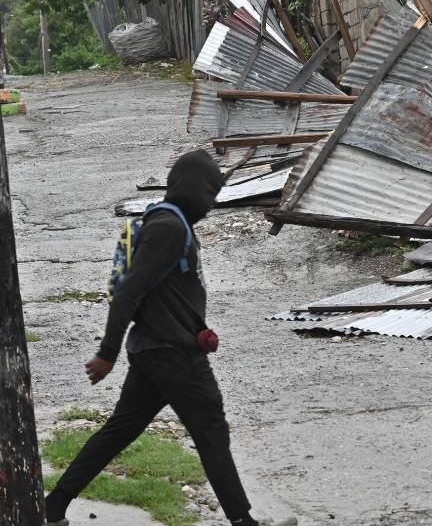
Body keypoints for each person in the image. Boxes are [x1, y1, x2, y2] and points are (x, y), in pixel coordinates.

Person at [44, 150, 293, 526]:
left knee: (119, 431)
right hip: (174, 355)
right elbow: (130, 292)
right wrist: (107, 352)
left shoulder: (170, 223)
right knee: (212, 431)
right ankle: (245, 523)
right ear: (192, 187)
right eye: (210, 193)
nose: (211, 204)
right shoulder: (168, 228)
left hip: (155, 352)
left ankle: (52, 507)